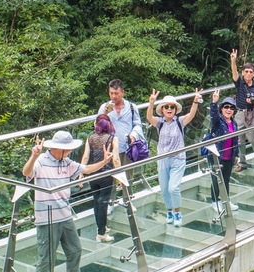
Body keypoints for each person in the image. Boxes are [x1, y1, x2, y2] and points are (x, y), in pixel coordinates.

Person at [22, 130, 114, 272]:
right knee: (46, 257)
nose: (71, 152)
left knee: (75, 250)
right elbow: (26, 172)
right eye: (68, 149)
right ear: (58, 148)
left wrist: (105, 161)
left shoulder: (66, 162)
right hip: (47, 217)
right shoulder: (41, 161)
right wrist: (33, 156)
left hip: (64, 213)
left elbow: (85, 169)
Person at [146, 90, 202, 227]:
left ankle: (177, 212)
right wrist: (151, 103)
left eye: (172, 107)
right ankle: (169, 211)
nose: (169, 109)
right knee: (164, 189)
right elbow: (149, 117)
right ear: (163, 109)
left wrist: (195, 101)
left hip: (178, 158)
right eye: (167, 107)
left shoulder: (179, 121)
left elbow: (191, 114)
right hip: (163, 159)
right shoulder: (160, 122)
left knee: (173, 188)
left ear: (176, 109)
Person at [80, 114, 121, 242]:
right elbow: (116, 159)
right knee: (103, 202)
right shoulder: (112, 139)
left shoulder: (90, 138)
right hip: (106, 175)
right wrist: (119, 177)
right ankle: (101, 232)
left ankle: (101, 227)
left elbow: (86, 157)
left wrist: (81, 173)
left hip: (93, 173)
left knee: (96, 201)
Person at [230, 49, 254, 172]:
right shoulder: (239, 83)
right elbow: (234, 73)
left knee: (253, 139)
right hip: (239, 113)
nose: (248, 74)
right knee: (239, 139)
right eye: (246, 72)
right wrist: (233, 60)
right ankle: (242, 163)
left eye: (251, 72)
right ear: (243, 73)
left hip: (252, 113)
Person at [98, 79, 145, 167]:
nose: (113, 96)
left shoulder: (132, 107)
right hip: (109, 149)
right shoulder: (104, 107)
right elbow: (97, 127)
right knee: (109, 178)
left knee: (126, 177)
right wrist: (104, 114)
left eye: (116, 93)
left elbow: (137, 125)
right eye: (111, 93)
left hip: (126, 148)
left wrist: (133, 135)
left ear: (122, 92)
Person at [206, 90, 240, 213]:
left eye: (231, 108)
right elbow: (213, 116)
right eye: (226, 107)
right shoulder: (218, 121)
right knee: (216, 179)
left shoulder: (234, 123)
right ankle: (215, 201)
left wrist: (236, 155)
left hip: (228, 156)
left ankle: (225, 200)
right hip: (216, 155)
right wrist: (214, 102)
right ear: (221, 109)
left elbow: (235, 140)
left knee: (226, 178)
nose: (228, 110)